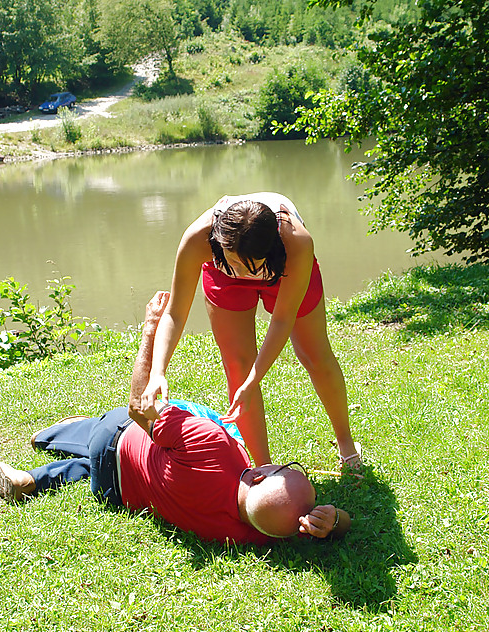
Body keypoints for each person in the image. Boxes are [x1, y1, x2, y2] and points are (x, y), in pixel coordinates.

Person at [0, 291, 351, 545]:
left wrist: (150, 328)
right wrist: (333, 523)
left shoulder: (213, 445)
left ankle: (58, 433)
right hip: (113, 492)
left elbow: (138, 406)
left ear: (258, 475)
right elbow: (295, 524)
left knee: (102, 428)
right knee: (92, 465)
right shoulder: (252, 533)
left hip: (115, 441)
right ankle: (36, 480)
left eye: (283, 467)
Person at [135, 193, 361, 469]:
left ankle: (347, 445)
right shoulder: (199, 239)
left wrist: (254, 381)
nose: (241, 272)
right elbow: (175, 312)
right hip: (221, 275)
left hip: (283, 272)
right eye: (235, 263)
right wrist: (158, 371)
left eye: (248, 266)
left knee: (314, 355)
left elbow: (282, 319)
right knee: (237, 366)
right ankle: (265, 468)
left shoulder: (296, 242)